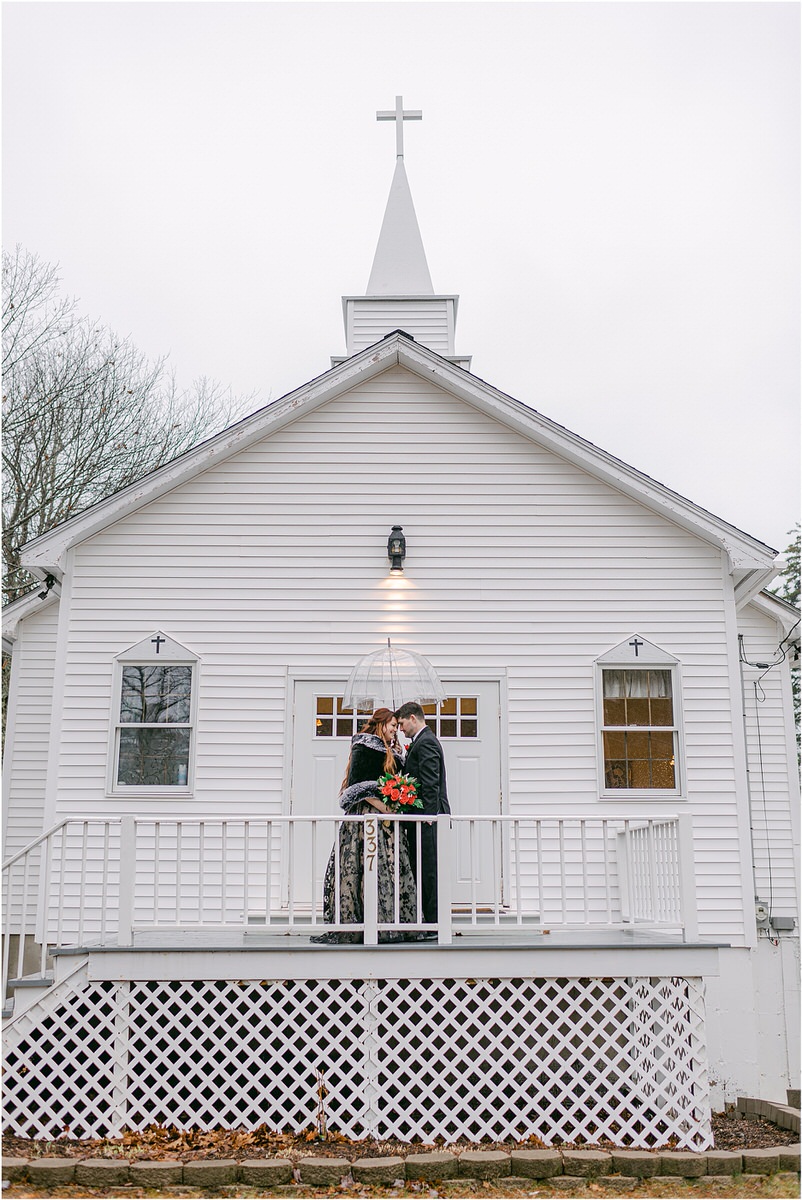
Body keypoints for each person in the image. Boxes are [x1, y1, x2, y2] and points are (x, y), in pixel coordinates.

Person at [310, 708, 418, 944]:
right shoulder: (364, 747)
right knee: (364, 865)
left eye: (396, 727)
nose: (395, 730)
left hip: (387, 822)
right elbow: (359, 786)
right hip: (367, 816)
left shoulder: (393, 751)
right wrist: (384, 807)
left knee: (386, 867)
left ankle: (387, 922)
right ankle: (360, 923)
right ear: (381, 725)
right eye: (392, 726)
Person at [394, 701, 450, 930]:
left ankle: (435, 924)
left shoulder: (426, 743)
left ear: (413, 718)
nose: (400, 728)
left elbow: (430, 784)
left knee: (429, 872)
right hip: (422, 819)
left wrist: (428, 817)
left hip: (428, 820)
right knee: (423, 869)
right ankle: (428, 921)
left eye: (402, 723)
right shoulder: (420, 742)